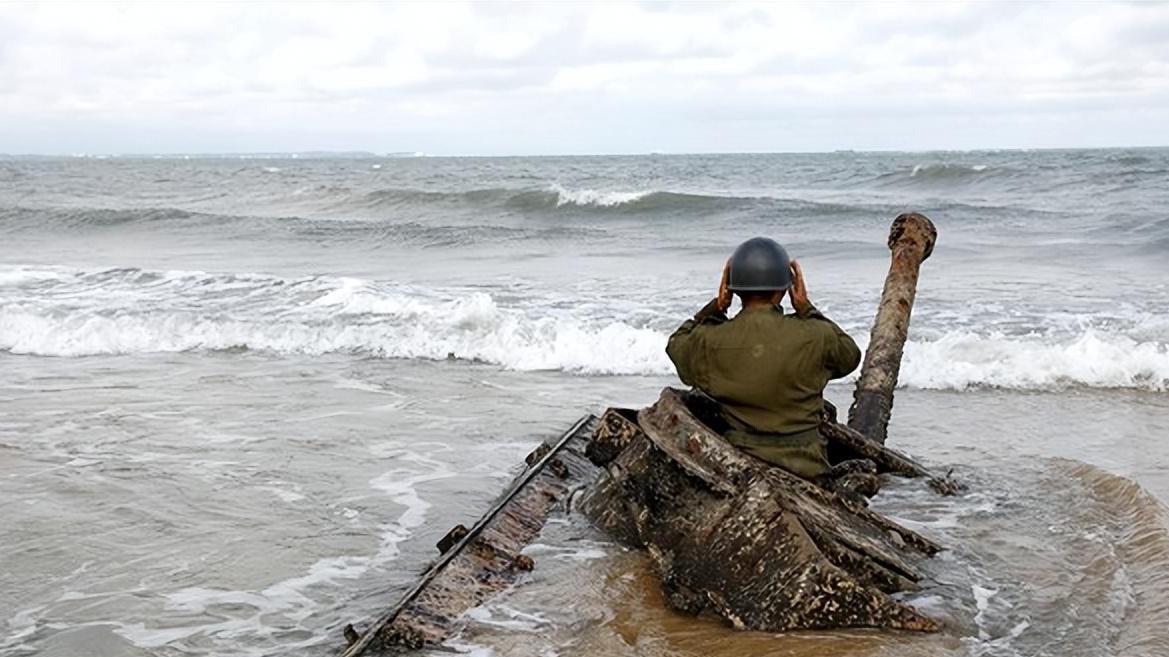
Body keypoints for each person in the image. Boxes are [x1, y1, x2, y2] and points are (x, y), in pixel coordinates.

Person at [666, 237, 861, 480]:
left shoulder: (708, 341)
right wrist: (806, 308)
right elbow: (850, 355)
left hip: (741, 464)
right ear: (788, 287)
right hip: (807, 467)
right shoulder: (816, 335)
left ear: (732, 288)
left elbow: (677, 343)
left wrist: (717, 307)